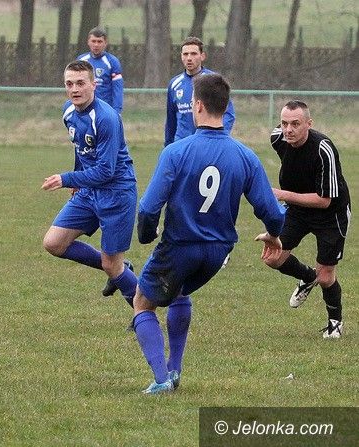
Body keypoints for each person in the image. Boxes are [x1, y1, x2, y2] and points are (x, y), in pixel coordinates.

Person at [132, 73, 286, 394]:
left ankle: (161, 380)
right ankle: (175, 370)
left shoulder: (176, 152)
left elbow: (148, 208)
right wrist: (274, 234)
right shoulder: (245, 156)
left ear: (197, 105)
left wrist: (146, 235)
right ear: (226, 107)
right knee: (179, 292)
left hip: (180, 246)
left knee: (143, 302)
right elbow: (272, 212)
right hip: (218, 253)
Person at [42, 60, 138, 305]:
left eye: (80, 83)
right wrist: (78, 176)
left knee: (111, 264)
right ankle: (121, 269)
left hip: (116, 193)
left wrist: (66, 179)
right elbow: (80, 147)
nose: (75, 89)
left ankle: (143, 313)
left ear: (94, 85)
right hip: (88, 190)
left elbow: (106, 171)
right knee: (54, 243)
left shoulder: (106, 118)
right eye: (69, 84)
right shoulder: (68, 111)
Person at [263, 100, 351, 338]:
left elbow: (325, 200)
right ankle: (307, 276)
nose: (288, 129)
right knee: (272, 257)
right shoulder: (278, 138)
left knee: (326, 276)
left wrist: (282, 194)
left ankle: (335, 323)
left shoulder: (323, 149)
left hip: (330, 214)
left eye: (295, 124)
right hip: (298, 211)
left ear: (309, 124)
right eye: (284, 123)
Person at [164, 36, 235, 147]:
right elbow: (171, 121)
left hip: (207, 144)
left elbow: (229, 114)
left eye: (193, 54)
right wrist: (168, 146)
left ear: (202, 56)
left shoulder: (213, 81)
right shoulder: (174, 84)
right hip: (182, 146)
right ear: (181, 56)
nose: (189, 58)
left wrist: (218, 138)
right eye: (185, 54)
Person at [77, 27, 124, 114]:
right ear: (88, 42)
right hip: (85, 108)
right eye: (93, 41)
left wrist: (117, 111)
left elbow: (117, 88)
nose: (96, 45)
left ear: (105, 43)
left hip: (105, 109)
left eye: (99, 42)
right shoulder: (81, 60)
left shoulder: (112, 62)